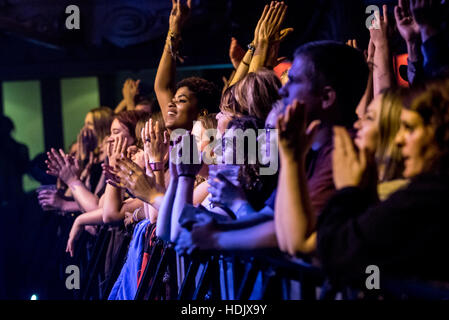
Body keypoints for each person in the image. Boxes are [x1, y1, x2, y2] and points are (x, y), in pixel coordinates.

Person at [317, 79, 449, 292]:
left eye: (409, 128)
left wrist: (347, 191)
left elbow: (332, 250)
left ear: (441, 131)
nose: (399, 139)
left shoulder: (426, 196)